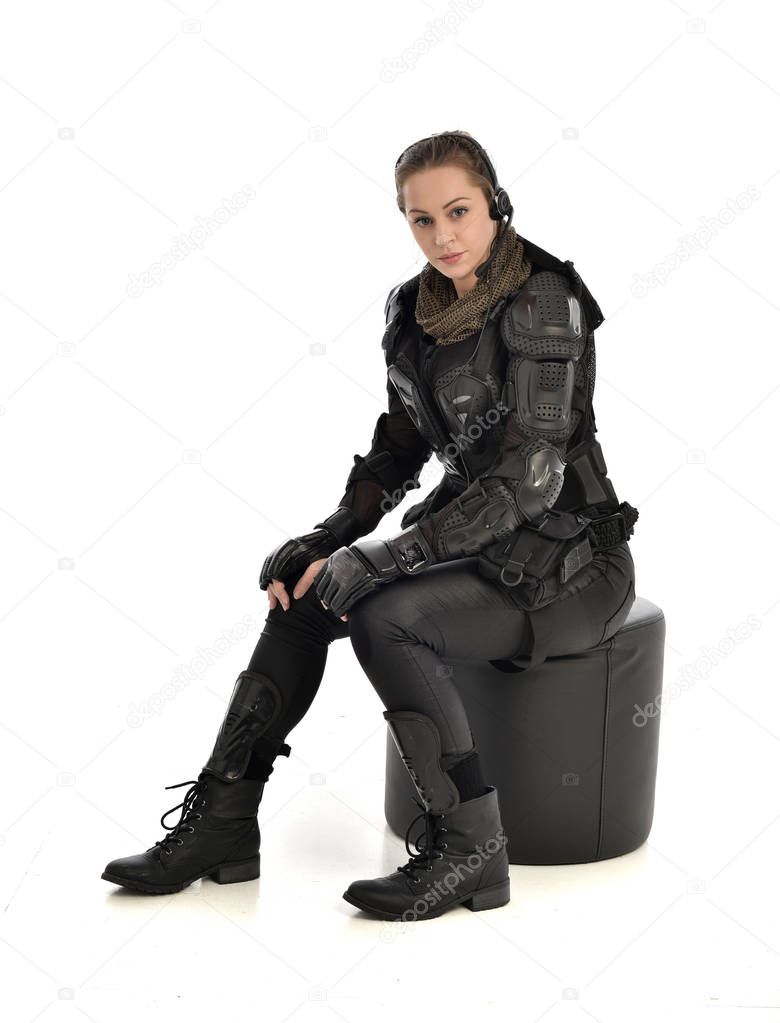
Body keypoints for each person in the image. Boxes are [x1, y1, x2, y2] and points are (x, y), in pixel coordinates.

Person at [101, 130, 638, 922]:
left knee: (385, 614)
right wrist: (327, 538)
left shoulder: (542, 300)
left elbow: (529, 480)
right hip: (473, 539)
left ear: (494, 203)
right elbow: (400, 446)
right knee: (306, 593)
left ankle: (470, 851)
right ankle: (221, 822)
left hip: (568, 563)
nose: (442, 235)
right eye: (421, 220)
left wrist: (389, 557)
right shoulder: (412, 309)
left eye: (458, 211)